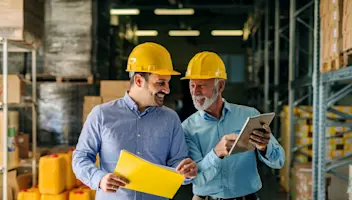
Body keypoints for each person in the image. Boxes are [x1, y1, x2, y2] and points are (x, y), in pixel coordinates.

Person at [72, 42, 197, 200]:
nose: (167, 89)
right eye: (160, 83)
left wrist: (186, 172)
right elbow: (81, 158)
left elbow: (177, 164)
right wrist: (100, 179)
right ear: (139, 81)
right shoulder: (101, 115)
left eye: (168, 82)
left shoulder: (170, 119)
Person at [180, 51, 285, 200]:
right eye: (192, 85)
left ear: (221, 85)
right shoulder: (186, 128)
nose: (195, 92)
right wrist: (216, 154)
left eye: (202, 85)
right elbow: (196, 178)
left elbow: (279, 161)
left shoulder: (249, 115)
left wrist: (264, 147)